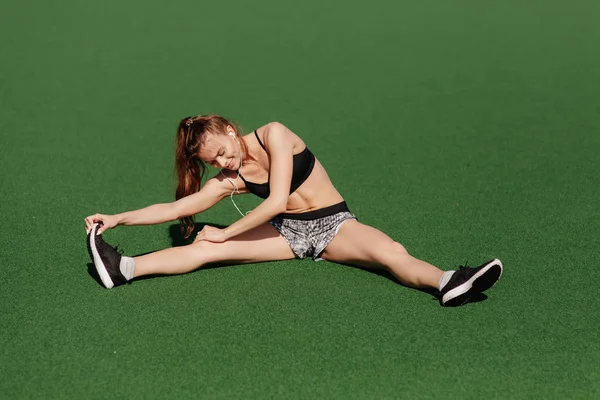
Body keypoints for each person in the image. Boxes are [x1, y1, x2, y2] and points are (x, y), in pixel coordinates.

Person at [84, 115, 502, 306]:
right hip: (287, 233)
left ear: (231, 130)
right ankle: (125, 268)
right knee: (205, 249)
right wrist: (118, 217)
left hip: (333, 225)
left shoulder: (274, 135)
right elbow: (179, 206)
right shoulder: (233, 177)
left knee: (389, 251)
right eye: (215, 163)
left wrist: (226, 231)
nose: (225, 164)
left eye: (225, 153)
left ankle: (449, 281)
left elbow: (278, 199)